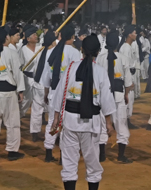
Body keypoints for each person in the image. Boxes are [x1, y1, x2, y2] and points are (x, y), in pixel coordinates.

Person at [52, 34, 116, 190]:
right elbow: (106, 99)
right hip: (90, 124)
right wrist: (109, 123)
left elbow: (59, 94)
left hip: (70, 121)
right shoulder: (100, 72)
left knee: (69, 163)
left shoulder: (70, 69)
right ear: (98, 52)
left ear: (81, 49)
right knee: (93, 163)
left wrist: (55, 119)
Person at [41, 25, 80, 163]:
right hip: (67, 94)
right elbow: (77, 75)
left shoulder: (53, 51)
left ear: (60, 36)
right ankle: (64, 156)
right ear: (72, 37)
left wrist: (46, 93)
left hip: (53, 90)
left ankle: (48, 152)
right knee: (66, 125)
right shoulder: (75, 53)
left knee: (52, 121)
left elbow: (46, 75)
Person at [0, 27, 25, 160]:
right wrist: (21, 90)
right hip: (8, 92)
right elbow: (17, 73)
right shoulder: (11, 53)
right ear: (6, 38)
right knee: (12, 122)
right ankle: (12, 151)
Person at [96, 31, 133, 163]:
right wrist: (126, 93)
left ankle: (101, 154)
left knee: (102, 124)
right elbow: (128, 81)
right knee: (121, 124)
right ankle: (121, 155)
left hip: (103, 95)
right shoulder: (123, 58)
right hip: (118, 94)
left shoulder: (100, 58)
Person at [27, 30, 56, 142]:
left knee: (36, 110)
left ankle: (35, 134)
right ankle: (53, 135)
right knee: (53, 112)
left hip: (38, 84)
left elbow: (35, 69)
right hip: (49, 86)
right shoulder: (55, 52)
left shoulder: (40, 51)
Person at [118, 25, 140, 123]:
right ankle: (126, 120)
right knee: (128, 99)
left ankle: (127, 119)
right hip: (128, 75)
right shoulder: (126, 48)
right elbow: (126, 65)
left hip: (130, 74)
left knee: (130, 99)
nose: (136, 34)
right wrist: (129, 80)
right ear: (130, 35)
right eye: (134, 33)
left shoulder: (127, 46)